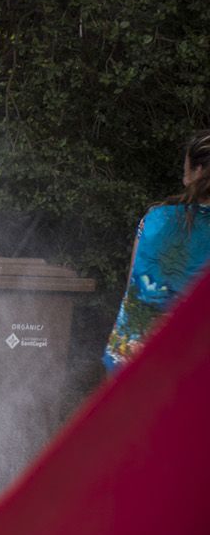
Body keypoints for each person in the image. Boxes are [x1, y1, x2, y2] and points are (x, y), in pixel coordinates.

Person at [103, 130, 210, 370]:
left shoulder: (154, 219)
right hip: (193, 361)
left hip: (132, 354)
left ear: (198, 171)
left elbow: (134, 285)